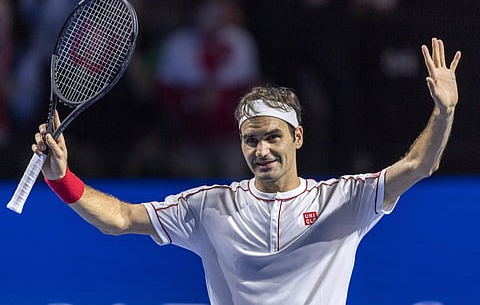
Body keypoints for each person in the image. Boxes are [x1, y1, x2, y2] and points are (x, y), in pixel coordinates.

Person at [33, 37, 461, 305]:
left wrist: (445, 111)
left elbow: (420, 164)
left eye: (273, 137)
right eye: (250, 140)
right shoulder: (209, 206)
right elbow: (121, 219)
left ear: (297, 137)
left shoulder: (344, 199)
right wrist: (60, 178)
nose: (261, 149)